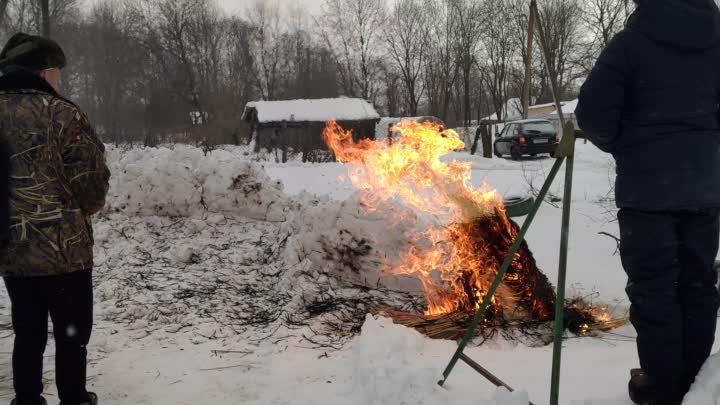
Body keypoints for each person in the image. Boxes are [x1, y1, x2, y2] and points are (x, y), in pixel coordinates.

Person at [576, 0, 720, 404]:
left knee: (655, 289)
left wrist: (628, 146)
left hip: (648, 193)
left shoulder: (630, 45)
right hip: (704, 190)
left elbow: (592, 116)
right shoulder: (715, 41)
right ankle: (696, 385)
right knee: (698, 284)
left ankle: (662, 387)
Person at [0, 33, 110, 405]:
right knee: (71, 331)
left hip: (12, 251)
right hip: (66, 252)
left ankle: (27, 399)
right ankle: (74, 398)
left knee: (27, 329)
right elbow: (92, 185)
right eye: (58, 73)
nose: (60, 81)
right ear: (44, 72)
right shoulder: (63, 115)